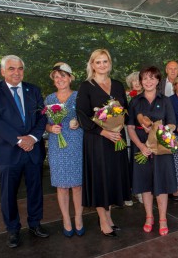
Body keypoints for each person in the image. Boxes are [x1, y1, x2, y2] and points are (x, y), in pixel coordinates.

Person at [0, 55, 49, 248]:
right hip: (8, 151)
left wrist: (33, 138)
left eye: (20, 68)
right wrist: (19, 140)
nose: (16, 72)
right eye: (11, 68)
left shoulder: (33, 90)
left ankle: (35, 224)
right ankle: (12, 229)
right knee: (8, 194)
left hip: (33, 149)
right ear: (3, 71)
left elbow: (43, 117)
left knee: (36, 189)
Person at [76, 49, 131, 237]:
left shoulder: (117, 84)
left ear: (110, 63)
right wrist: (104, 132)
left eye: (105, 61)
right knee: (101, 179)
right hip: (97, 140)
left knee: (112, 178)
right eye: (98, 62)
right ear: (92, 65)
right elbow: (82, 115)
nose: (102, 65)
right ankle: (103, 220)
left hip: (117, 138)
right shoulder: (86, 86)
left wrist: (118, 128)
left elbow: (125, 109)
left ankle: (109, 217)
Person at [127, 66, 178, 236]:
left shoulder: (166, 100)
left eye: (152, 78)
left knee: (161, 185)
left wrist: (157, 131)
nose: (148, 81)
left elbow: (172, 124)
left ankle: (162, 218)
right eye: (145, 78)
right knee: (145, 185)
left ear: (158, 80)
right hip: (141, 148)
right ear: (141, 81)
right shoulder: (135, 101)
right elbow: (130, 127)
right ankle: (149, 217)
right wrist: (142, 147)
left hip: (161, 149)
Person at [44, 62, 84, 237]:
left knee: (77, 185)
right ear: (54, 80)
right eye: (56, 76)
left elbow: (89, 119)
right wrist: (50, 128)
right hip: (57, 146)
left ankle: (79, 218)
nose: (60, 79)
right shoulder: (49, 99)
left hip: (76, 144)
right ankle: (66, 219)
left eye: (63, 76)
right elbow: (42, 123)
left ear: (70, 78)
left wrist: (79, 122)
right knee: (61, 186)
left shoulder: (79, 96)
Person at [124, 71, 142, 206]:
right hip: (127, 132)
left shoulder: (147, 96)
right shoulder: (125, 96)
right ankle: (128, 193)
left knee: (140, 162)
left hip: (142, 133)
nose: (136, 83)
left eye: (138, 80)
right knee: (128, 162)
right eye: (134, 81)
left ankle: (140, 191)